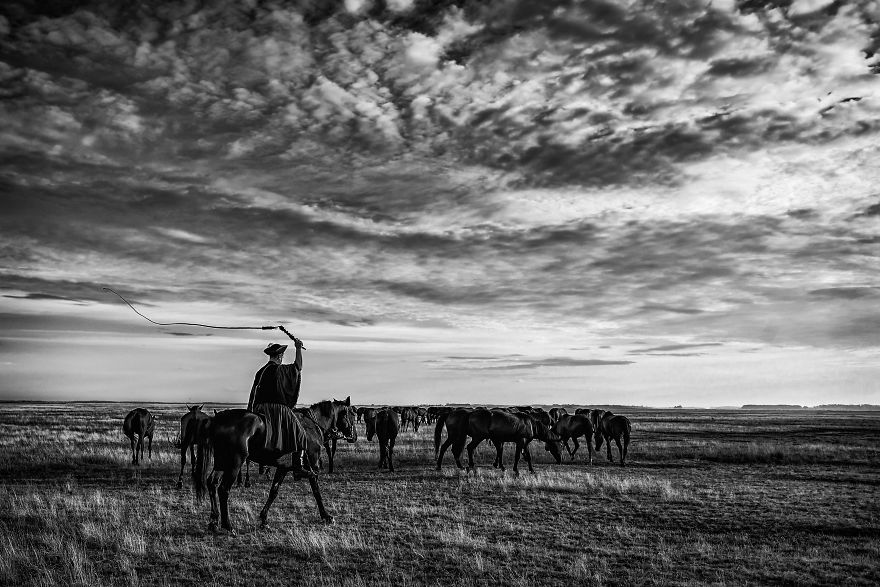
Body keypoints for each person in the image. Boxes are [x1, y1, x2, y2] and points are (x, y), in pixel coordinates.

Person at [246, 326, 315, 475]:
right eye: (282, 356)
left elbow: (253, 393)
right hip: (276, 409)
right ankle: (298, 465)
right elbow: (298, 367)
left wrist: (250, 410)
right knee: (300, 433)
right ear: (279, 357)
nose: (282, 358)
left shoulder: (261, 371)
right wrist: (297, 348)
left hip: (259, 409)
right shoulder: (280, 370)